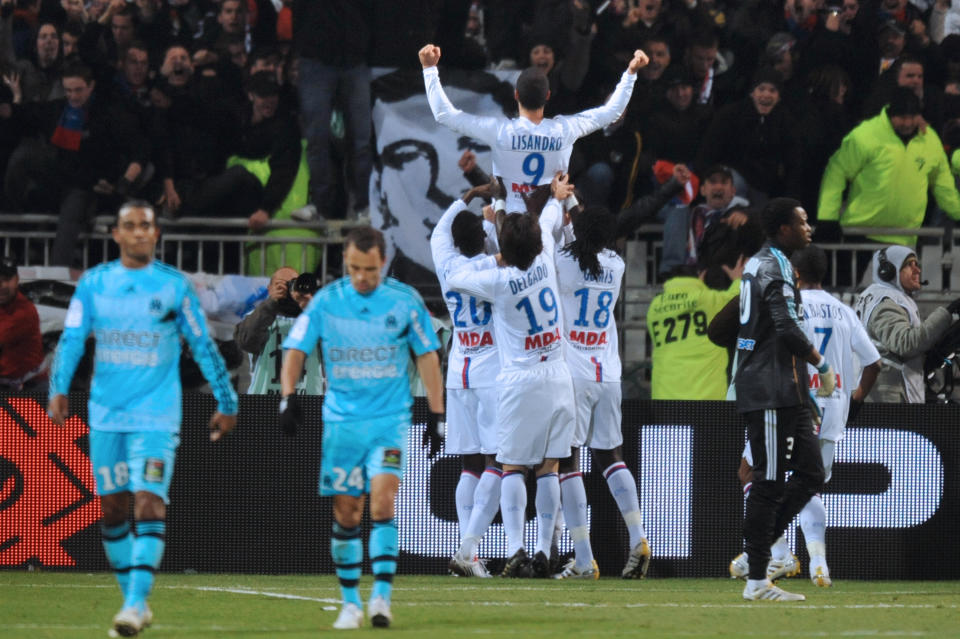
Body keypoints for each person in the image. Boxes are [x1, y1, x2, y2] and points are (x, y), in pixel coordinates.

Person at [47, 200, 238, 637]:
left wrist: (226, 401)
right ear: (115, 234)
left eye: (145, 226)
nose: (137, 233)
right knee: (112, 510)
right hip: (107, 415)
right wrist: (59, 387)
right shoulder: (95, 284)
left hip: (156, 415)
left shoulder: (174, 288)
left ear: (156, 234)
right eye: (129, 226)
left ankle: (133, 606)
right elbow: (73, 338)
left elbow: (203, 346)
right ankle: (135, 598)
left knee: (149, 503)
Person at [279, 226, 444, 629]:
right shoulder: (327, 302)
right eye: (354, 268)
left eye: (369, 269)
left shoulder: (404, 302)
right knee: (348, 512)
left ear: (382, 262)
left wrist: (438, 414)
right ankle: (350, 602)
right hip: (342, 424)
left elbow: (427, 355)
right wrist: (288, 396)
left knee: (384, 505)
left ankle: (382, 599)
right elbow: (296, 347)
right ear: (345, 263)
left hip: (388, 421)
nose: (362, 277)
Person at [444, 173, 577, 578]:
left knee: (513, 467)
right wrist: (556, 196)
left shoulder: (498, 281)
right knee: (551, 465)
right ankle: (542, 551)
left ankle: (514, 547)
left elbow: (454, 278)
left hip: (520, 382)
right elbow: (552, 217)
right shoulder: (548, 257)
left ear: (505, 249)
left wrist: (496, 257)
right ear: (537, 243)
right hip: (559, 375)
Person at [730, 245, 881, 587]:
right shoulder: (844, 311)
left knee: (752, 472)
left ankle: (778, 553)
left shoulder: (790, 305)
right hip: (836, 406)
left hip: (795, 400)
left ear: (794, 274)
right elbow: (875, 364)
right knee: (810, 484)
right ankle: (819, 565)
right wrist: (854, 402)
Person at [734, 197, 833, 601]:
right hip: (769, 386)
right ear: (783, 228)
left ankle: (755, 552)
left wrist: (806, 391)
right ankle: (757, 579)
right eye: (803, 222)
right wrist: (821, 363)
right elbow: (786, 326)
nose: (809, 228)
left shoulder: (769, 262)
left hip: (786, 387)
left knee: (811, 472)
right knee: (769, 482)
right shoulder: (773, 265)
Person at [419, 42, 648, 213]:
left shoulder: (500, 131)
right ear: (547, 96)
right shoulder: (564, 129)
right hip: (549, 227)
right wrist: (630, 74)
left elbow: (444, 114)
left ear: (516, 95)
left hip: (507, 227)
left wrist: (430, 70)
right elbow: (612, 112)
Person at [554, 204, 651, 579]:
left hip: (574, 374)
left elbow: (551, 241)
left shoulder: (562, 262)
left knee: (568, 461)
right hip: (607, 372)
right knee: (612, 458)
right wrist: (576, 207)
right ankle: (638, 536)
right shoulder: (616, 264)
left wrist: (559, 207)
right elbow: (596, 231)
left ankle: (582, 558)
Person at [430, 181, 503, 579]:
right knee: (497, 461)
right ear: (483, 238)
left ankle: (468, 552)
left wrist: (469, 195)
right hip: (492, 371)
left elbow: (441, 230)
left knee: (469, 466)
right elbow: (513, 256)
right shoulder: (493, 266)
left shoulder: (447, 263)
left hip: (459, 370)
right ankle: (469, 549)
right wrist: (495, 221)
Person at [818, 87, 960, 247]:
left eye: (912, 117)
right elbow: (837, 172)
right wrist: (827, 217)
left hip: (906, 239)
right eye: (901, 117)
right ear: (890, 113)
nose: (907, 123)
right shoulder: (865, 135)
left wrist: (957, 214)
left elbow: (943, 185)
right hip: (861, 235)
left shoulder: (930, 140)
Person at [855, 246, 960, 402]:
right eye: (908, 265)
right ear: (887, 271)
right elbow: (906, 344)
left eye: (916, 264)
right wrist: (947, 312)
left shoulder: (886, 297)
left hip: (889, 393)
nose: (917, 270)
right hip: (886, 399)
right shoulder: (885, 302)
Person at [647, 246, 744, 401]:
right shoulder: (707, 300)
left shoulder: (654, 307)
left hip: (664, 396)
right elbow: (737, 298)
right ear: (701, 276)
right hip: (707, 398)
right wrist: (738, 278)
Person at [234, 266, 322, 395]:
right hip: (263, 404)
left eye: (292, 284)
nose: (286, 290)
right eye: (279, 285)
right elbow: (246, 341)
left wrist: (310, 305)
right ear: (269, 289)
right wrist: (271, 304)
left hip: (308, 404)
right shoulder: (258, 315)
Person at [0, 255, 47, 391]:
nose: (2, 286)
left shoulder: (24, 311)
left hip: (31, 385)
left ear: (17, 280)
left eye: (7, 280)